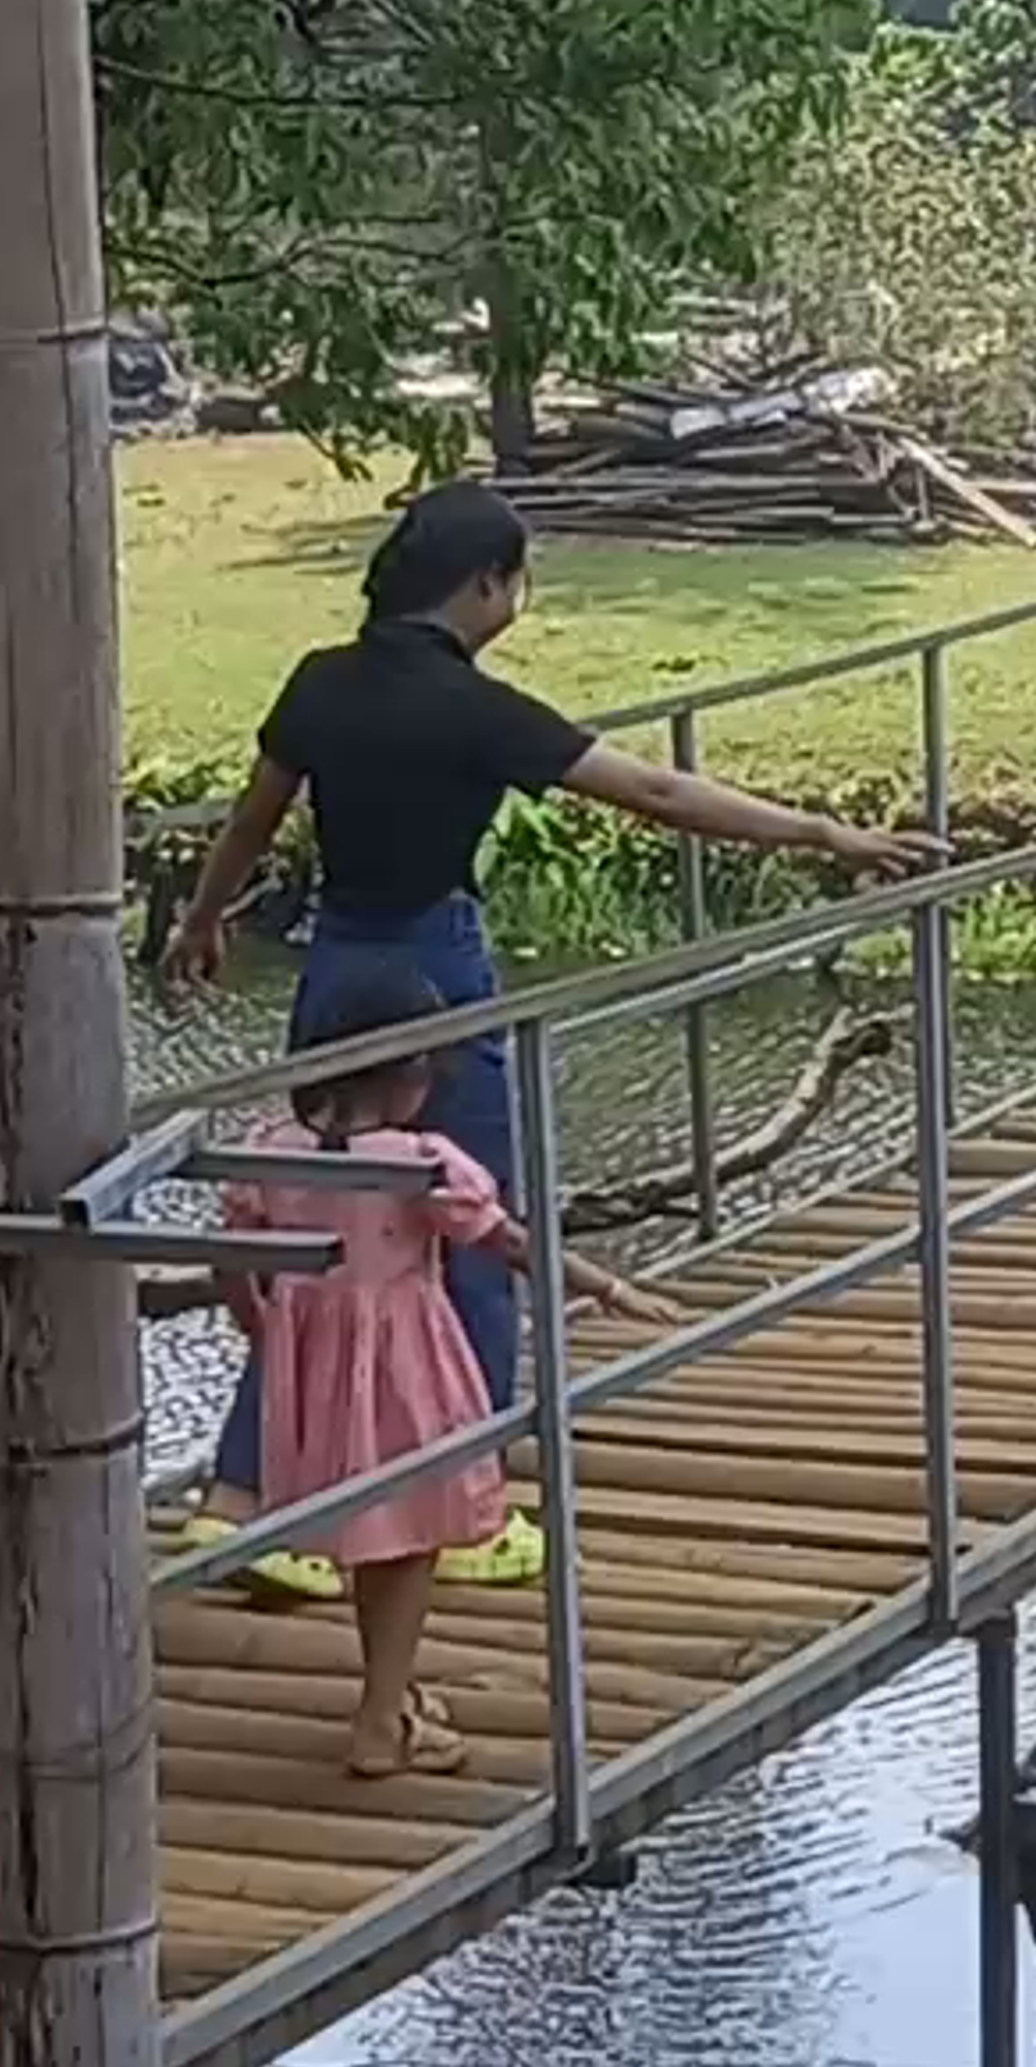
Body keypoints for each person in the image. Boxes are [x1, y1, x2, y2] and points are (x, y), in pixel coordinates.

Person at [164, 476, 930, 1460]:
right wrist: (825, 831)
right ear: (487, 584)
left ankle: (261, 1471)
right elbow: (654, 788)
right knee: (480, 1221)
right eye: (519, 583)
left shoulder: (321, 680)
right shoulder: (477, 709)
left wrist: (200, 918)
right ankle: (466, 1466)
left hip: (337, 963)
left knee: (317, 1215)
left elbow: (254, 814)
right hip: (436, 967)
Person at [216, 961, 518, 1778]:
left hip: (315, 1360)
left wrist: (263, 1324)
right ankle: (380, 1719)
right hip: (404, 1356)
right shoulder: (417, 1158)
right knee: (412, 1531)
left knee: (370, 1526)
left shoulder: (270, 1148)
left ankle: (392, 1689)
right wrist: (595, 1281)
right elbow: (496, 1235)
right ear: (410, 1069)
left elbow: (235, 1253)